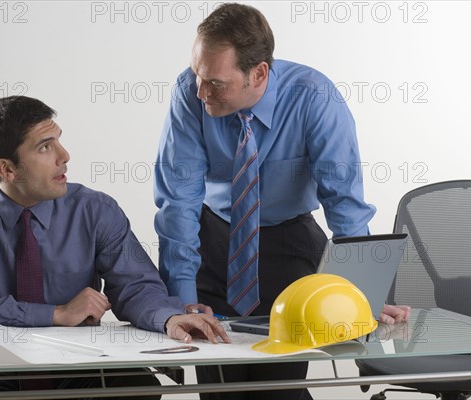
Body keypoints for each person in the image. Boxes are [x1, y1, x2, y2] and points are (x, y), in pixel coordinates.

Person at [153, 3, 410, 400]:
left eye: (216, 83)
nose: (201, 91)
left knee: (278, 387)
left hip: (288, 242)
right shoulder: (191, 93)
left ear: (259, 73)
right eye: (197, 75)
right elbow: (178, 201)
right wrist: (182, 298)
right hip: (216, 241)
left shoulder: (314, 97)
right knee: (220, 389)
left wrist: (362, 295)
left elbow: (344, 202)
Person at [0, 95, 230, 399]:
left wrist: (168, 317)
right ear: (6, 169)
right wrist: (55, 314)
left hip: (79, 363)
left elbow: (136, 285)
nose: (65, 155)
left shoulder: (95, 210)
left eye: (58, 140)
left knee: (139, 388)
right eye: (45, 147)